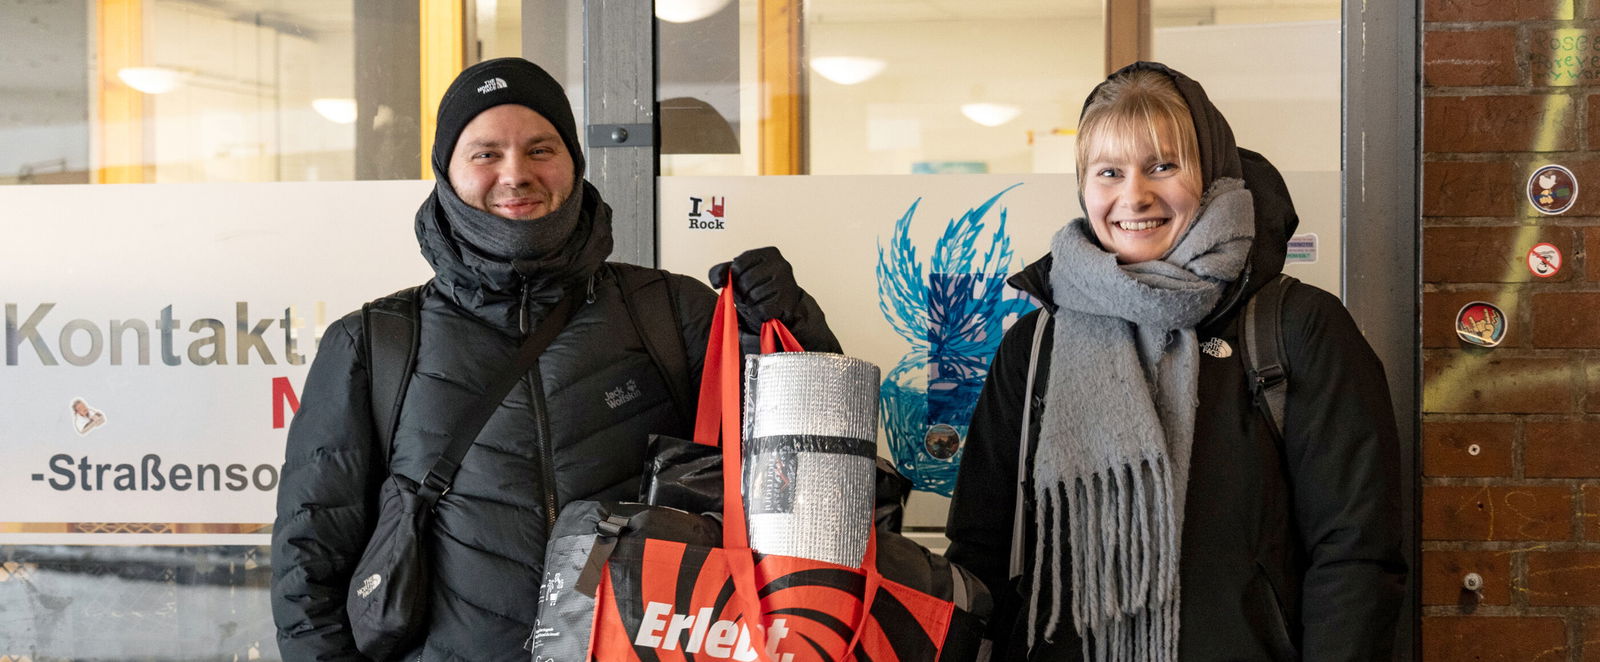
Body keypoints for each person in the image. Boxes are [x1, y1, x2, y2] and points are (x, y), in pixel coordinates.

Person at [270, 57, 839, 661]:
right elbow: (309, 566)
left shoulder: (670, 313)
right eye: (485, 153)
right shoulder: (375, 343)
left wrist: (787, 327)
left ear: (573, 162)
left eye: (540, 149)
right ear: (447, 171)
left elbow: (813, 481)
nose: (516, 174)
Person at [945, 62, 1404, 661]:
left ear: (1210, 176)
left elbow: (1356, 555)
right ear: (1084, 187)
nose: (1134, 195)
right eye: (1109, 172)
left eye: (1162, 166)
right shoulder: (1035, 344)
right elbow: (979, 547)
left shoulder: (1297, 328)